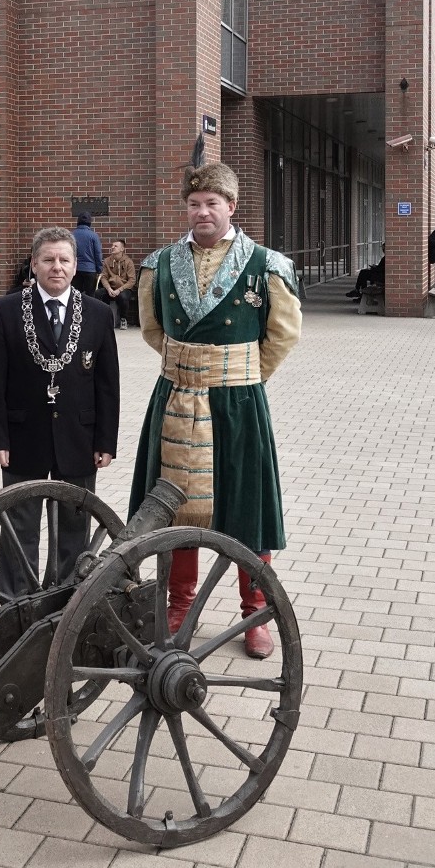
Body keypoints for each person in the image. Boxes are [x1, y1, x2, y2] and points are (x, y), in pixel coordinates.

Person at [129, 162, 301, 658]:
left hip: (238, 402)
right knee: (172, 501)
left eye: (212, 203)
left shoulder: (267, 264)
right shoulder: (158, 263)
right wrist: (190, 367)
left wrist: (239, 375)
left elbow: (283, 335)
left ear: (231, 206)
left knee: (247, 503)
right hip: (176, 397)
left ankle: (256, 611)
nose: (202, 212)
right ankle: (179, 605)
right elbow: (152, 328)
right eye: (194, 204)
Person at [0, 226, 120, 595]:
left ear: (76, 266)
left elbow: (108, 385)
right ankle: (17, 605)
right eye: (48, 259)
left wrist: (106, 440)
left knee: (75, 528)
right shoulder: (6, 310)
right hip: (22, 436)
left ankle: (65, 603)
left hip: (79, 437)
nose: (56, 267)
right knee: (19, 526)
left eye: (64, 260)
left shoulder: (98, 313)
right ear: (34, 264)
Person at [97, 238, 136, 328]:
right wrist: (108, 288)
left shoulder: (128, 262)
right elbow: (103, 277)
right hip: (110, 287)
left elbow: (132, 281)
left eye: (115, 246)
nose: (112, 247)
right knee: (98, 294)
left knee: (123, 296)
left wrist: (119, 290)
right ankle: (105, 318)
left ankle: (123, 319)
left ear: (122, 249)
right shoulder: (107, 261)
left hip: (124, 288)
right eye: (112, 246)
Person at [70, 212, 103, 295]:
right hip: (90, 270)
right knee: (90, 296)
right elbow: (98, 254)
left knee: (75, 294)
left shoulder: (71, 235)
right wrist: (99, 269)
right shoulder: (93, 236)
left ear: (78, 222)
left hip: (75, 269)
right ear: (89, 223)